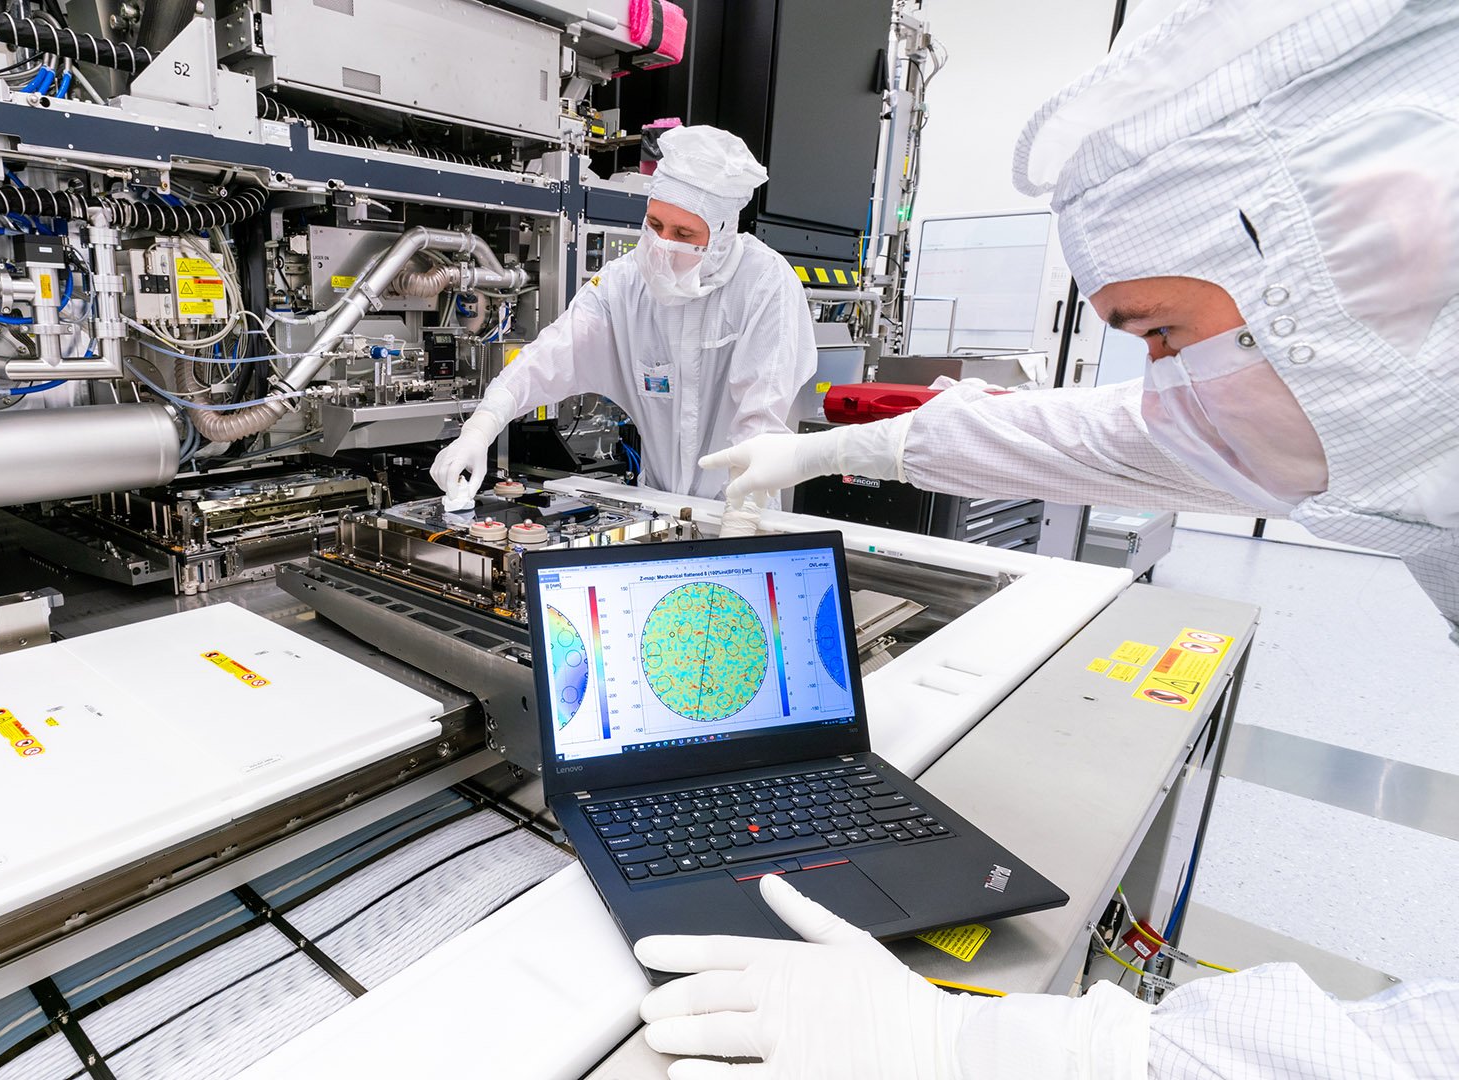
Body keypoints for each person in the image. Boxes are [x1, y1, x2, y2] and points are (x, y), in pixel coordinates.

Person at [648, 1, 1459, 1077]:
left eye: (1162, 334)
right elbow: (1098, 432)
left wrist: (972, 1046)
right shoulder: (1387, 397)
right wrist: (835, 455)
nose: (1166, 390)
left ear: (1370, 268)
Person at [428, 126, 816, 508]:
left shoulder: (765, 284)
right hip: (660, 508)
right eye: (655, 225)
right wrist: (479, 430)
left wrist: (743, 511)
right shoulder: (624, 282)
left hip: (740, 511)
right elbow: (548, 357)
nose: (663, 245)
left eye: (684, 233)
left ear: (723, 232)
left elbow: (760, 424)